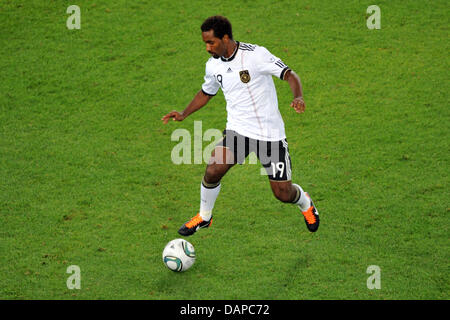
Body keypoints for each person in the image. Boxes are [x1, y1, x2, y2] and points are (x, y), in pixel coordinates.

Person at [162, 15, 319, 236]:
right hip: (239, 132)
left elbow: (289, 75)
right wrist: (183, 114)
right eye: (205, 43)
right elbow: (207, 92)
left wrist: (299, 97)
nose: (207, 48)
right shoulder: (213, 65)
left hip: (269, 135)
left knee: (283, 193)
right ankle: (204, 216)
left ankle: (304, 202)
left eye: (211, 42)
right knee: (213, 169)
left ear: (225, 38)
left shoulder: (255, 55)